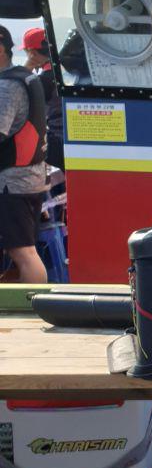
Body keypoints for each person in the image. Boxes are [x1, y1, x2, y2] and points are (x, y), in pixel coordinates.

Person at [0, 25, 48, 283]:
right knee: (20, 252)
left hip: (12, 182)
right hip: (33, 177)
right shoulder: (26, 77)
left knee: (23, 252)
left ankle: (35, 310)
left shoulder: (7, 86)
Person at [21, 27, 64, 172]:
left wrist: (27, 67)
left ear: (32, 53)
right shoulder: (64, 71)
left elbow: (15, 95)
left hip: (58, 145)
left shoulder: (43, 80)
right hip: (75, 140)